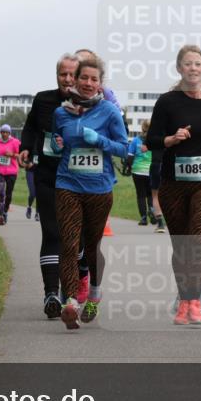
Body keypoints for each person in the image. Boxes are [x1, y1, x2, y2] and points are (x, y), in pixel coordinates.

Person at [146, 45, 201, 326]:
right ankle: (184, 301)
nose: (193, 68)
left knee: (198, 241)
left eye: (197, 63)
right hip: (174, 183)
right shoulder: (167, 102)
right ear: (179, 68)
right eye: (187, 64)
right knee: (181, 245)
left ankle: (195, 301)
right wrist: (171, 139)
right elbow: (154, 139)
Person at [50, 56, 128, 330]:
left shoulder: (109, 112)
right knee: (70, 244)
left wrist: (101, 141)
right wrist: (57, 146)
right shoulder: (61, 113)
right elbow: (55, 146)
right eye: (84, 78)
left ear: (100, 84)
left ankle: (94, 293)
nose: (88, 83)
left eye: (94, 79)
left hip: (99, 189)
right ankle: (70, 301)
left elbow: (124, 148)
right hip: (67, 184)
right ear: (75, 79)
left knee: (92, 247)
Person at [19, 53, 91, 318]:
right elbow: (29, 129)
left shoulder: (90, 102)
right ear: (57, 75)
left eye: (73, 74)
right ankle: (51, 293)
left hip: (80, 180)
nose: (68, 79)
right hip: (48, 175)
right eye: (63, 74)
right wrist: (26, 148)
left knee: (77, 239)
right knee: (52, 233)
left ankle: (78, 278)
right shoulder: (43, 99)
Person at [127, 121, 154, 225]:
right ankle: (152, 209)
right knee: (151, 194)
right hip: (151, 171)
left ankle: (143, 218)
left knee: (141, 195)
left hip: (137, 171)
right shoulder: (154, 141)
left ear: (142, 128)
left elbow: (130, 157)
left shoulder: (135, 140)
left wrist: (129, 168)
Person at [0, 125, 21, 225]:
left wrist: (12, 155)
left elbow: (20, 155)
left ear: (9, 133)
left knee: (8, 194)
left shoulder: (15, 142)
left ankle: (5, 211)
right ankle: (0, 215)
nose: (4, 134)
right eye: (3, 132)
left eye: (6, 132)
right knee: (1, 193)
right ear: (0, 133)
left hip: (12, 171)